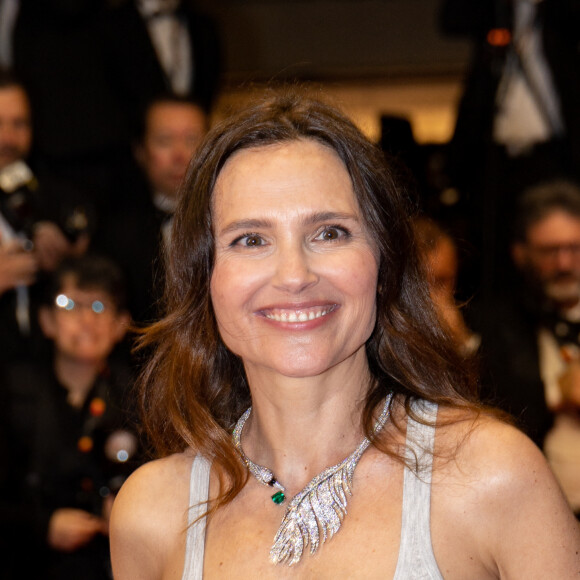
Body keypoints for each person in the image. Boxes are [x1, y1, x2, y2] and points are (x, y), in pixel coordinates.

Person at [110, 91, 580, 578]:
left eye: (329, 233)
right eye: (250, 239)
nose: (294, 275)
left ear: (382, 263)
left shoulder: (492, 477)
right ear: (203, 277)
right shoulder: (153, 515)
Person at [0, 254, 138, 579]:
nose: (86, 320)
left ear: (121, 325)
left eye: (100, 307)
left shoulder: (138, 396)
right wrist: (42, 525)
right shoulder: (10, 390)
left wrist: (128, 506)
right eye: (69, 304)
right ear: (46, 320)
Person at [440, 0, 580, 299]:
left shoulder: (557, 20)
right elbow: (451, 19)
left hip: (555, 155)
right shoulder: (496, 14)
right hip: (498, 160)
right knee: (499, 250)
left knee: (558, 239)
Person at [476, 179, 580, 514]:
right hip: (535, 511)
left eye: (575, 248)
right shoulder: (496, 324)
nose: (564, 264)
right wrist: (556, 394)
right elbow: (494, 413)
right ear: (521, 255)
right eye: (550, 252)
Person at [0, 68, 91, 368]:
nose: (8, 137)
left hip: (44, 371)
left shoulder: (48, 193)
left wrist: (66, 260)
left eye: (19, 124)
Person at [92, 94, 208, 322]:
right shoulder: (113, 235)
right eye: (164, 141)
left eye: (192, 139)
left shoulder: (234, 222)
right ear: (140, 151)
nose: (179, 155)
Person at [413, 216, 480, 355]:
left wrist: (461, 342)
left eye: (444, 281)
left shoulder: (472, 319)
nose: (432, 296)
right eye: (438, 282)